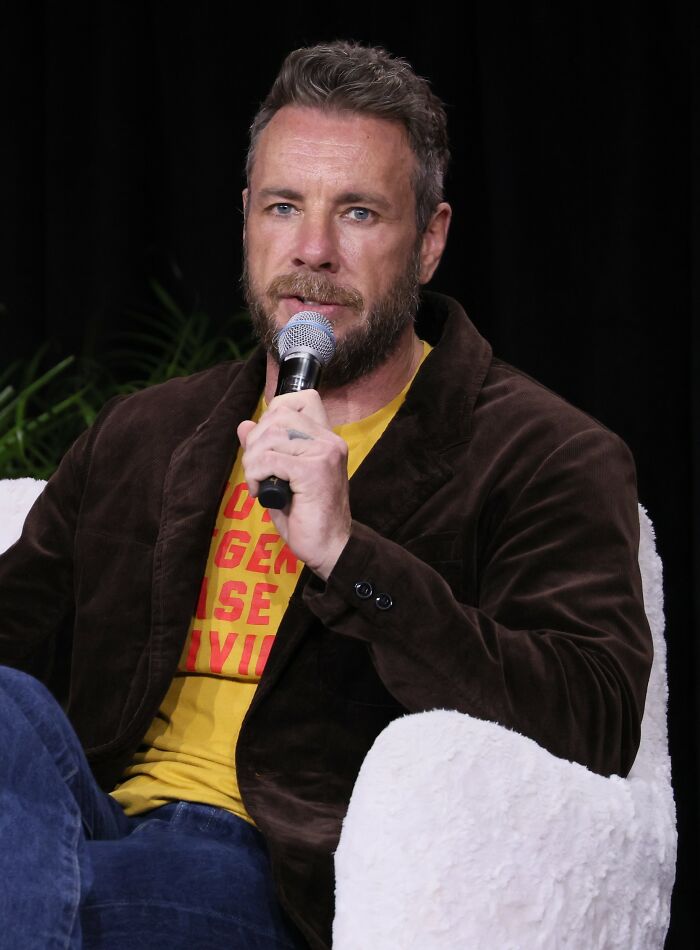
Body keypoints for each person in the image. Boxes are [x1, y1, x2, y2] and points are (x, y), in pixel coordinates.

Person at [0, 41, 652, 950]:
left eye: (357, 212)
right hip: (78, 823)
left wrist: (349, 554)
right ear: (246, 221)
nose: (313, 250)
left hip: (276, 869)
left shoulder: (543, 455)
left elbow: (593, 716)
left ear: (429, 241)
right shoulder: (147, 432)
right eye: (284, 207)